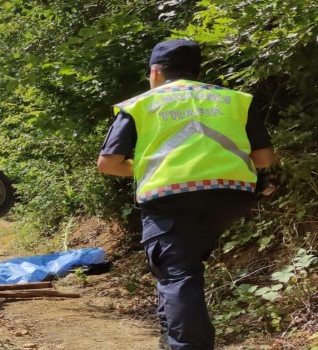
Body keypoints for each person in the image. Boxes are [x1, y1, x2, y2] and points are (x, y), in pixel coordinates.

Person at [97, 39, 274, 350]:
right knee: (181, 269)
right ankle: (171, 340)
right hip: (231, 196)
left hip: (171, 198)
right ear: (197, 70)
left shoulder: (142, 103)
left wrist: (147, 168)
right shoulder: (234, 100)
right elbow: (263, 160)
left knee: (178, 274)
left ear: (155, 72)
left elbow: (108, 163)